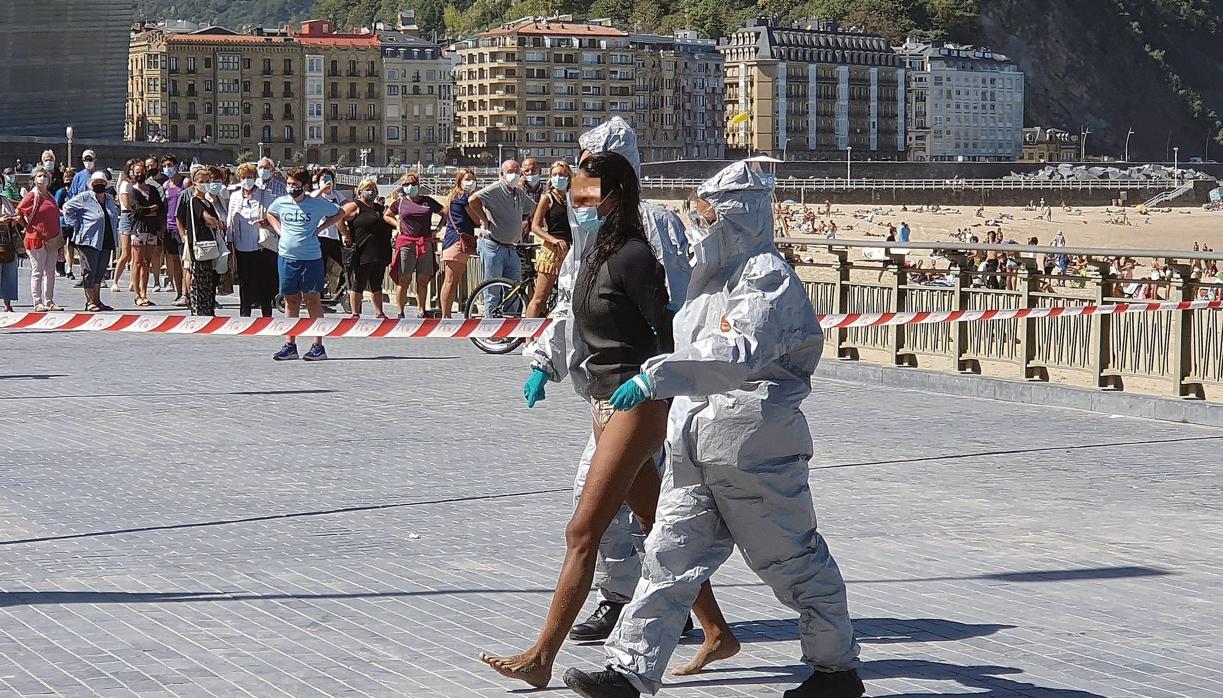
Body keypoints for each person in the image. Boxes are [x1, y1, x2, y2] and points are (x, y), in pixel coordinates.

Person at [563, 161, 863, 698]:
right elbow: (687, 345)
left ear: (737, 212)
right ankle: (630, 670)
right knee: (667, 556)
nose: (700, 220)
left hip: (754, 444)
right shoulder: (709, 281)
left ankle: (835, 670)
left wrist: (656, 376)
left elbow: (736, 353)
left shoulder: (767, 278)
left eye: (709, 210)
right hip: (697, 442)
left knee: (791, 560)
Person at [481, 151, 736, 690]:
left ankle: (540, 657)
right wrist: (544, 367)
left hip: (635, 405)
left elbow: (672, 332)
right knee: (653, 524)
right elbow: (574, 318)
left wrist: (656, 386)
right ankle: (716, 630)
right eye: (573, 192)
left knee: (583, 530)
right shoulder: (595, 250)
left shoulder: (635, 255)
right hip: (602, 401)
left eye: (585, 193)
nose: (574, 200)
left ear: (614, 194)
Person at [524, 117, 694, 646]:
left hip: (642, 389)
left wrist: (664, 375)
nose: (576, 179)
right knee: (643, 509)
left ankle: (648, 600)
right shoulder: (592, 228)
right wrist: (545, 361)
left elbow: (678, 308)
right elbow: (574, 302)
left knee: (618, 506)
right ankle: (655, 602)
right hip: (602, 389)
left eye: (587, 165)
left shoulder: (653, 224)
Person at [266, 167, 348, 361]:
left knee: (313, 300)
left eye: (295, 185)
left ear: (305, 186)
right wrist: (279, 230)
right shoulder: (281, 202)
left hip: (311, 258)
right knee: (291, 300)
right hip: (287, 257)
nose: (291, 188)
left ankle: (318, 346)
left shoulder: (316, 204)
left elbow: (341, 212)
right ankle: (290, 344)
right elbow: (270, 213)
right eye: (289, 184)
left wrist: (321, 228)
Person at [466, 160, 533, 310]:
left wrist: (527, 221)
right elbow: (473, 200)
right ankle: (490, 328)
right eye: (510, 172)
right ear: (502, 174)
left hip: (512, 248)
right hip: (493, 246)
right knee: (492, 291)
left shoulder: (518, 193)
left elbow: (533, 208)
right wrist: (484, 219)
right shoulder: (495, 189)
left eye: (517, 172)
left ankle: (509, 328)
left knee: (514, 290)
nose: (514, 175)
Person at [385, 171, 443, 318]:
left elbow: (445, 212)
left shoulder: (428, 201)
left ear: (418, 185)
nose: (410, 187)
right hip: (406, 243)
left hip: (425, 243)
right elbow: (387, 215)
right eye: (407, 185)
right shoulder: (400, 202)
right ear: (403, 187)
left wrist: (437, 229)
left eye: (413, 184)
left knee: (423, 279)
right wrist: (397, 225)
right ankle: (400, 311)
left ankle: (421, 310)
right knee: (404, 279)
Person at [61, 171, 121, 312]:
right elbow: (67, 208)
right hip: (88, 240)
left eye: (101, 182)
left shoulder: (110, 199)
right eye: (96, 182)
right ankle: (90, 301)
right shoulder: (84, 197)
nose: (99, 184)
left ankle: (97, 300)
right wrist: (76, 224)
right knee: (89, 271)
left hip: (106, 240)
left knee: (100, 272)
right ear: (91, 185)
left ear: (106, 184)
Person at [226, 163, 279, 317]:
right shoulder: (235, 196)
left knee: (264, 281)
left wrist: (268, 222)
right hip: (242, 246)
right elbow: (230, 219)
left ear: (255, 178)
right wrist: (229, 241)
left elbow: (276, 215)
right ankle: (244, 314)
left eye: (250, 177)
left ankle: (266, 315)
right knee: (244, 282)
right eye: (244, 177)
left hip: (262, 245)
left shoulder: (265, 195)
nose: (247, 180)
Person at [176, 167, 226, 316]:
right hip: (199, 246)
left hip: (211, 246)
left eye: (207, 181)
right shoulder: (194, 201)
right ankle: (199, 310)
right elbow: (209, 219)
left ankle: (208, 309)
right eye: (202, 182)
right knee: (199, 279)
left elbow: (216, 221)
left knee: (210, 280)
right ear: (194, 183)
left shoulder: (208, 202)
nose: (205, 184)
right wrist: (214, 222)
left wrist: (215, 222)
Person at [526, 161, 573, 318]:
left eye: (562, 175)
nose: (558, 178)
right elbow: (535, 226)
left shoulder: (573, 198)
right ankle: (528, 337)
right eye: (554, 175)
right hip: (552, 250)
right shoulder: (548, 198)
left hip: (571, 249)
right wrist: (553, 240)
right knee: (539, 299)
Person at [340, 178, 393, 318]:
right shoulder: (355, 205)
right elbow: (338, 217)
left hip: (380, 251)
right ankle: (355, 313)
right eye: (368, 189)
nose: (371, 192)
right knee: (359, 281)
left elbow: (392, 220)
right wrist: (345, 234)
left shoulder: (380, 208)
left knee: (377, 282)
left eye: (374, 189)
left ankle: (379, 312)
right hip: (362, 250)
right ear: (360, 191)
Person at [17, 167, 64, 311]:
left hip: (52, 239)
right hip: (36, 238)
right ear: (34, 179)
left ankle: (49, 301)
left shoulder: (50, 196)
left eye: (45, 176)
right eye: (39, 176)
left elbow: (56, 216)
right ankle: (37, 302)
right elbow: (18, 212)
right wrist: (27, 226)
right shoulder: (32, 195)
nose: (42, 178)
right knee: (37, 271)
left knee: (50, 272)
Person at [438, 169, 478, 318]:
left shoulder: (454, 196)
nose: (471, 182)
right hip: (456, 242)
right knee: (451, 281)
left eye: (473, 179)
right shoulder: (463, 197)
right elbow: (476, 218)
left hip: (452, 241)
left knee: (452, 281)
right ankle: (445, 315)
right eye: (467, 179)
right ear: (459, 181)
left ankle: (446, 314)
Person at [125, 160, 164, 307]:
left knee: (147, 262)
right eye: (137, 173)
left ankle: (144, 293)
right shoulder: (132, 191)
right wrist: (150, 209)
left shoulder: (153, 189)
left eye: (142, 172)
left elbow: (160, 206)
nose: (139, 175)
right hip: (139, 228)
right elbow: (138, 210)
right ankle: (136, 294)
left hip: (152, 229)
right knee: (137, 261)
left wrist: (150, 210)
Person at [311, 167, 348, 299]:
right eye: (323, 179)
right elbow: (312, 199)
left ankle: (340, 291)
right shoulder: (317, 195)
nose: (327, 182)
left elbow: (347, 206)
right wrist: (322, 189)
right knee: (320, 267)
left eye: (329, 179)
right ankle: (318, 295)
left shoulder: (337, 195)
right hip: (320, 237)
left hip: (334, 237)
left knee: (346, 265)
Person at [160, 156, 187, 305]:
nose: (167, 168)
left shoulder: (185, 183)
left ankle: (186, 292)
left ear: (176, 166)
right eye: (164, 165)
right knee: (175, 262)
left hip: (182, 227)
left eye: (169, 165)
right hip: (169, 227)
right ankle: (179, 292)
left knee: (185, 262)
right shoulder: (165, 185)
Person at [111, 159, 139, 293]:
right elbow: (126, 203)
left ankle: (133, 282)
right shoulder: (125, 185)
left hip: (137, 217)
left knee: (135, 253)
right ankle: (115, 281)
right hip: (127, 216)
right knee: (126, 252)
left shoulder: (137, 185)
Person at [55, 168, 77, 281]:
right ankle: (59, 265)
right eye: (66, 179)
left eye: (70, 179)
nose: (68, 181)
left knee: (71, 246)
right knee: (60, 245)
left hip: (73, 223)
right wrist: (64, 212)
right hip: (62, 222)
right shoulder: (61, 192)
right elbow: (56, 207)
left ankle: (69, 268)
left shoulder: (76, 193)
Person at [0, 191, 18, 311]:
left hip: (7, 241)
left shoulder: (5, 201)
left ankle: (7, 304)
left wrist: (14, 219)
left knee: (9, 274)